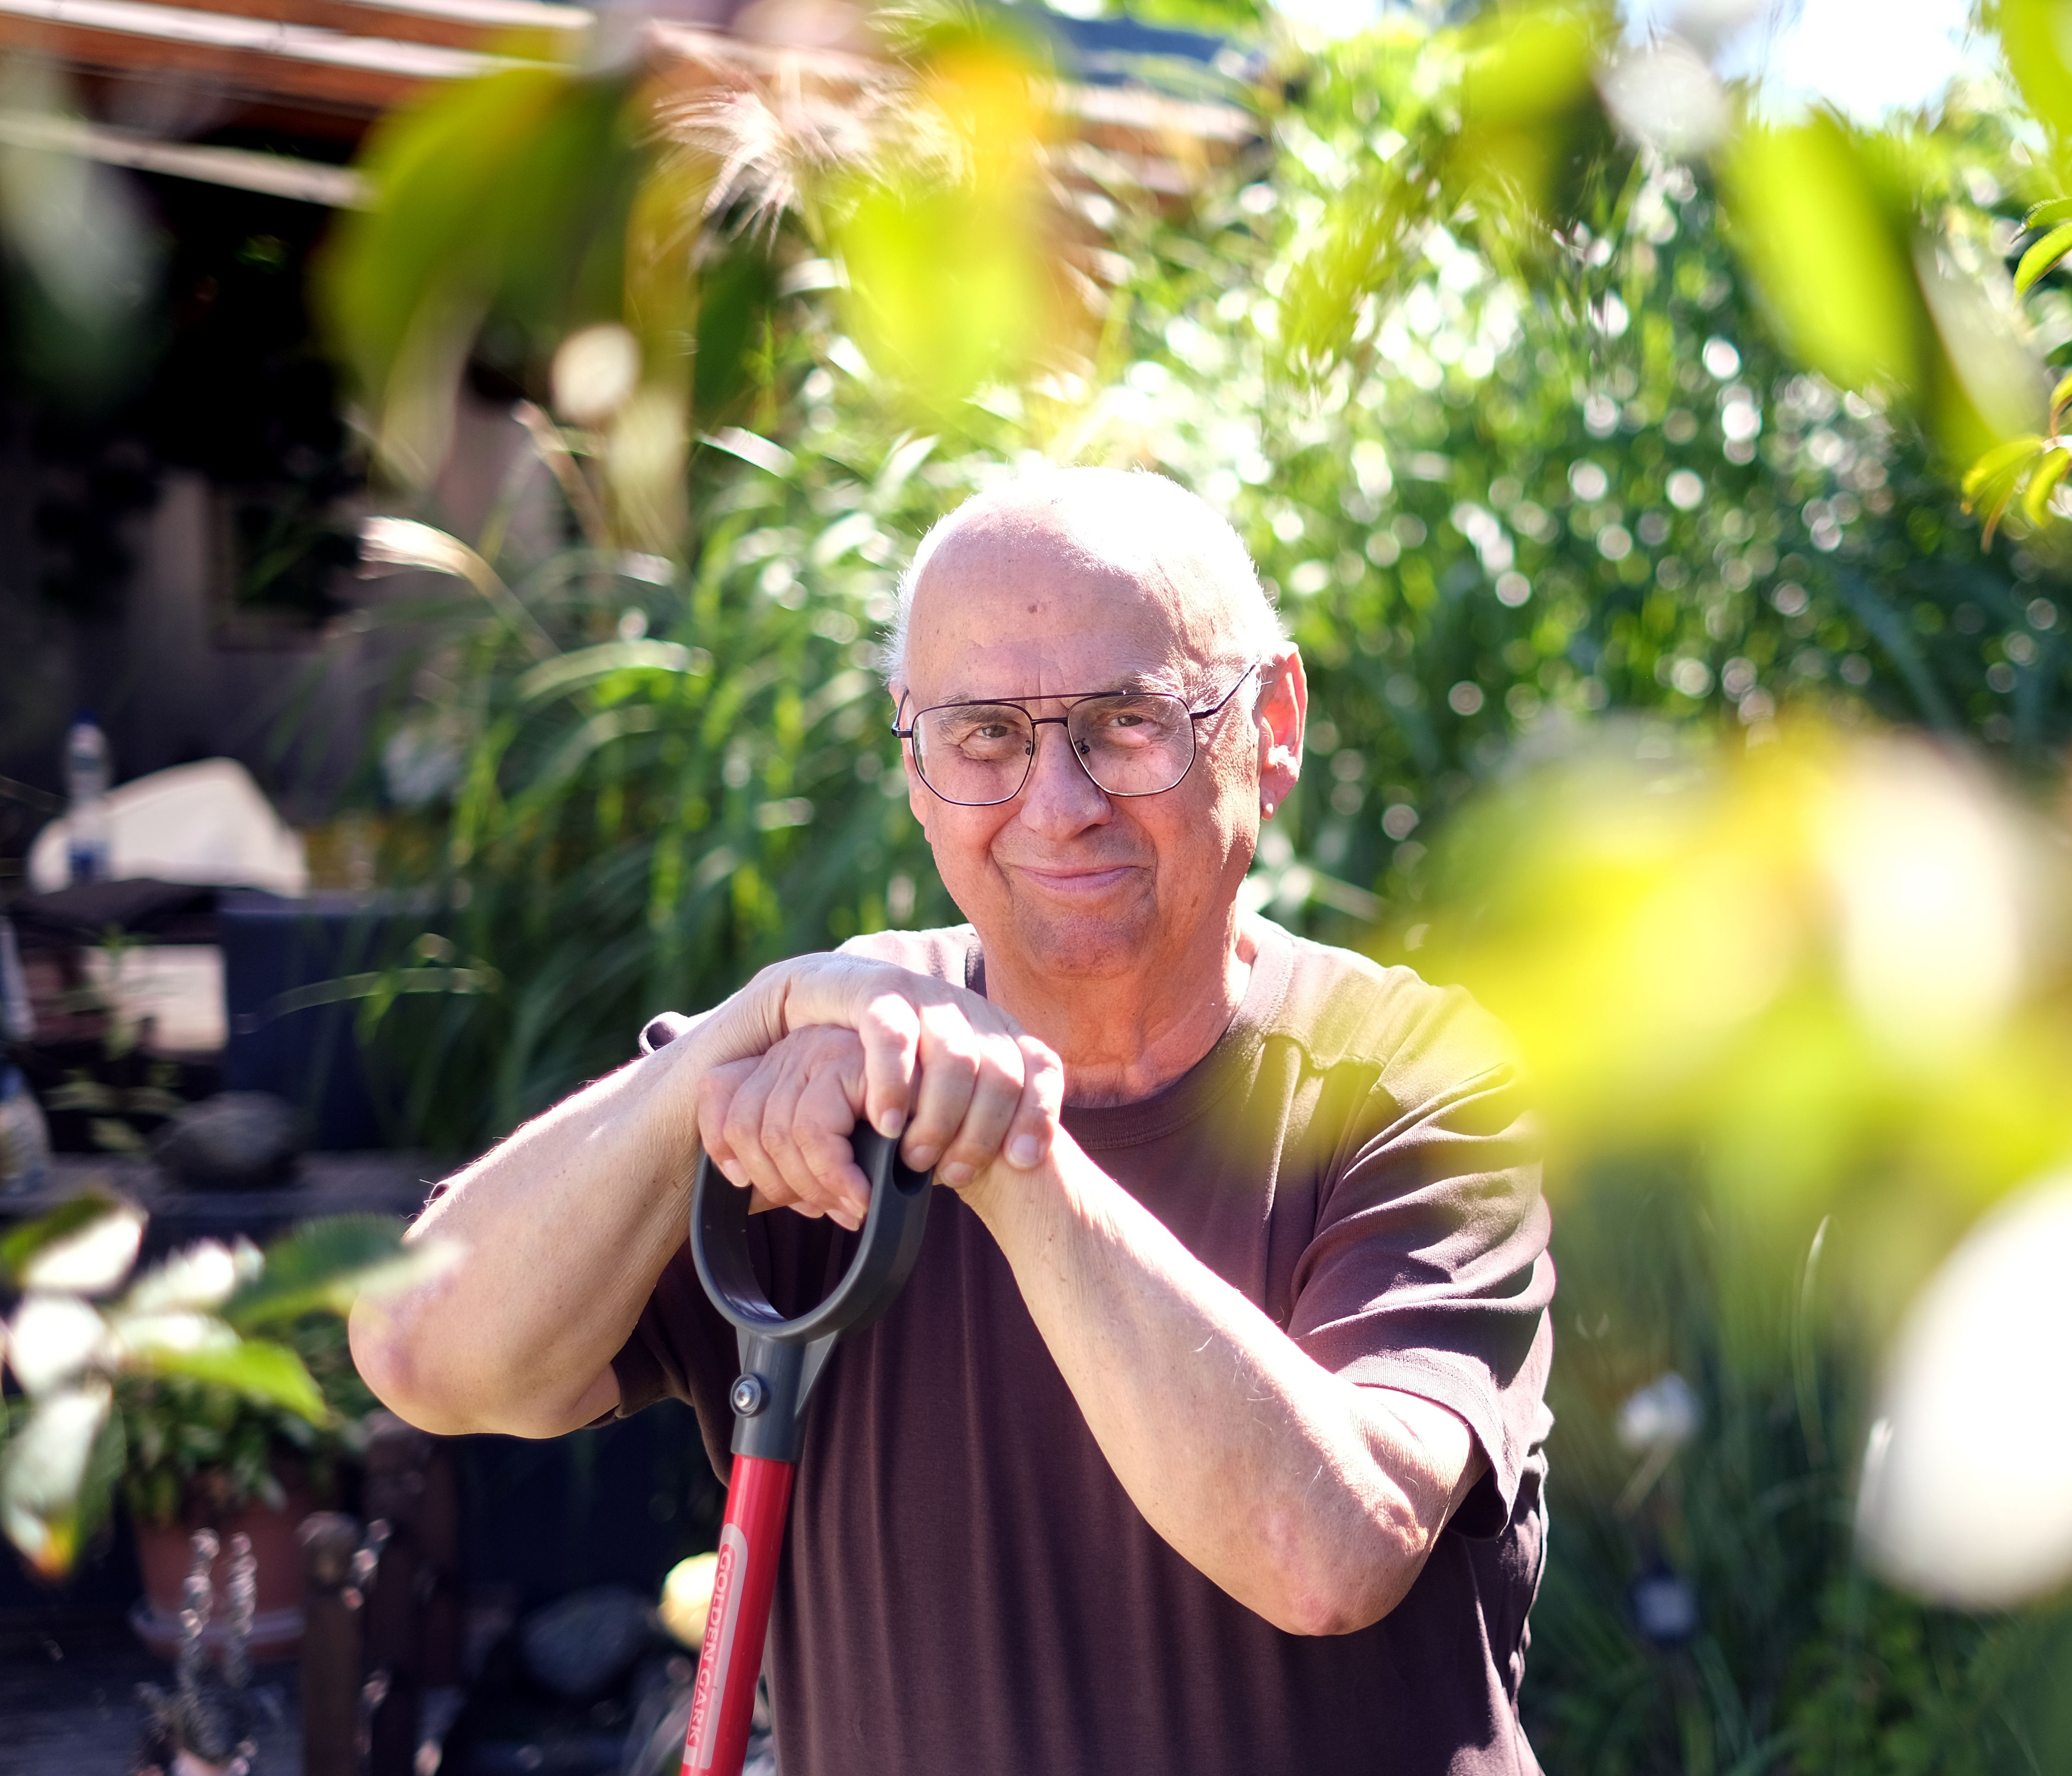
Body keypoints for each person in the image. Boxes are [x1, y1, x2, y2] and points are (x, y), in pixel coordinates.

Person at [350, 467, 1555, 1775]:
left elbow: (1330, 1552)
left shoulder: (1407, 1079)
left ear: (1271, 723)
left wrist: (1005, 1144)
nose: (1058, 801)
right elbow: (423, 1354)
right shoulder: (813, 1071)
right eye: (985, 736)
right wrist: (745, 1028)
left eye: (1126, 722)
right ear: (915, 764)